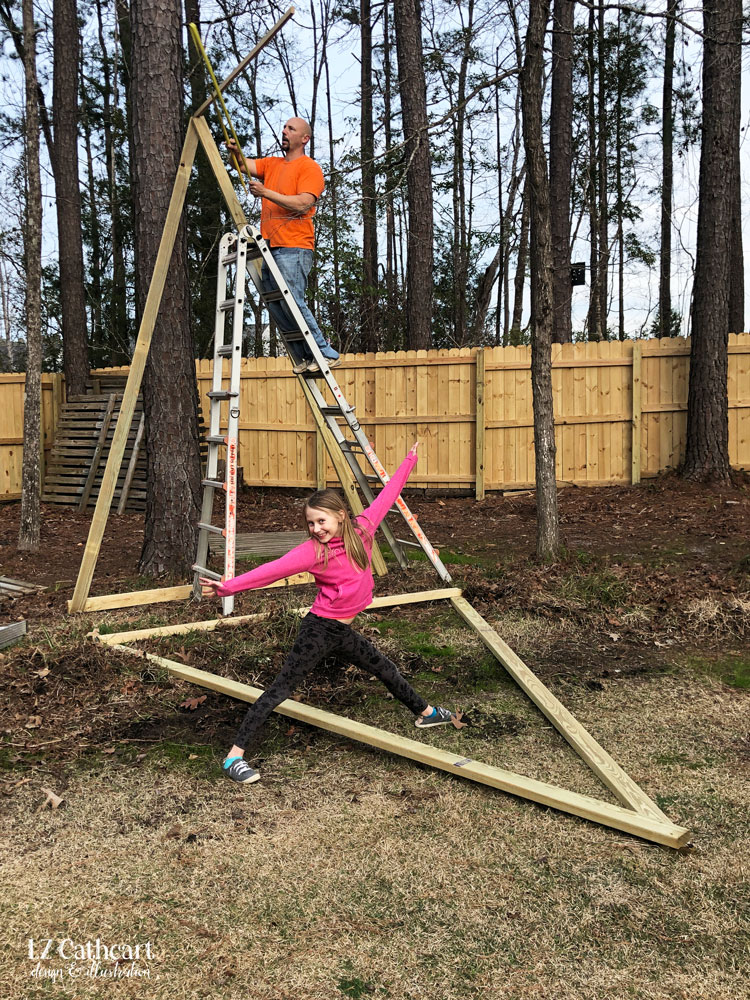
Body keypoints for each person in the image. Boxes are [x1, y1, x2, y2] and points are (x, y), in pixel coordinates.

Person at [200, 442, 457, 785]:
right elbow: (271, 570)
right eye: (310, 523)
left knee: (384, 668)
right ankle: (234, 757)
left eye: (321, 521)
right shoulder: (311, 552)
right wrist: (227, 588)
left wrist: (409, 461)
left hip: (341, 633)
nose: (316, 528)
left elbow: (388, 494)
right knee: (280, 690)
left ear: (340, 516)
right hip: (319, 631)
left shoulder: (363, 531)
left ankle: (426, 714)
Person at [226, 119, 340, 375]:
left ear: (304, 139)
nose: (284, 132)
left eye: (291, 129)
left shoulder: (309, 168)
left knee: (294, 302)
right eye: (284, 128)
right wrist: (234, 154)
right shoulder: (272, 164)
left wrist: (266, 193)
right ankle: (305, 356)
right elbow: (245, 166)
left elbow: (302, 203)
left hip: (294, 246)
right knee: (276, 305)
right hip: (270, 245)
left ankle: (324, 352)